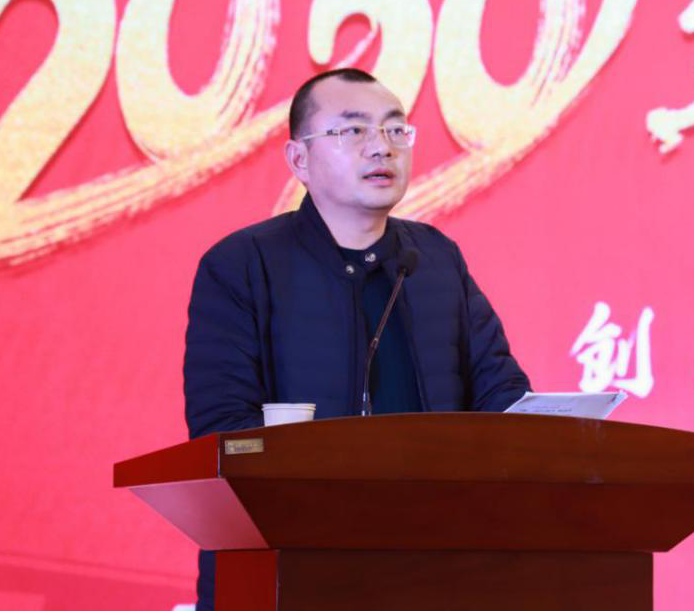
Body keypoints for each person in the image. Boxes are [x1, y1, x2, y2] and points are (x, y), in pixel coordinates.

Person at [182, 67, 531, 609]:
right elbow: (223, 431)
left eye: (395, 130)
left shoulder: (435, 259)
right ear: (299, 159)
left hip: (429, 570)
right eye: (354, 130)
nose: (382, 147)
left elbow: (501, 396)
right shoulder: (243, 265)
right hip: (290, 571)